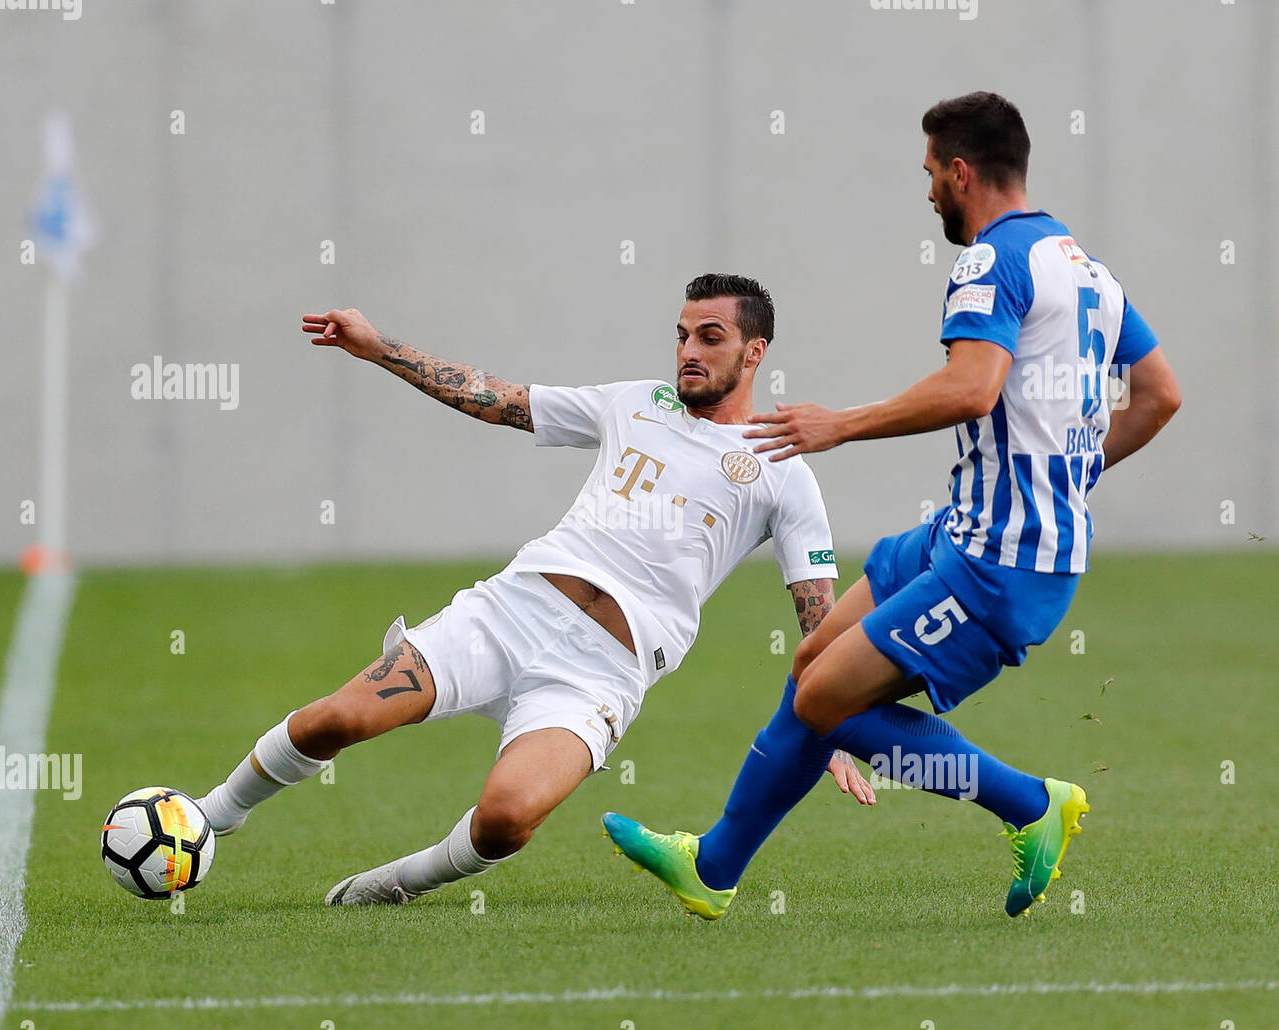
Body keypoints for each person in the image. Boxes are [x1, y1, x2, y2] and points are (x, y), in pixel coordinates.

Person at [604, 91, 1182, 919]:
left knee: (826, 703)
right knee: (811, 672)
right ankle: (715, 867)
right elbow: (1160, 394)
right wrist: (1067, 477)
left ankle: (1031, 804)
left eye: (929, 176)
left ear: (959, 171)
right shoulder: (1087, 270)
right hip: (964, 530)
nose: (927, 195)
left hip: (1001, 563)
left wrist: (841, 425)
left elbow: (974, 388)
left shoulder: (991, 261)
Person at [198, 274, 846, 906]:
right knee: (337, 718)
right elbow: (499, 398)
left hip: (601, 675)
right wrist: (379, 348)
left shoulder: (783, 470)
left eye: (710, 337)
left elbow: (819, 617)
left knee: (505, 820)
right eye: (681, 336)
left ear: (754, 352)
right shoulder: (634, 403)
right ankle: (211, 816)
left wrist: (836, 725)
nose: (688, 352)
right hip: (510, 613)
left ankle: (405, 880)